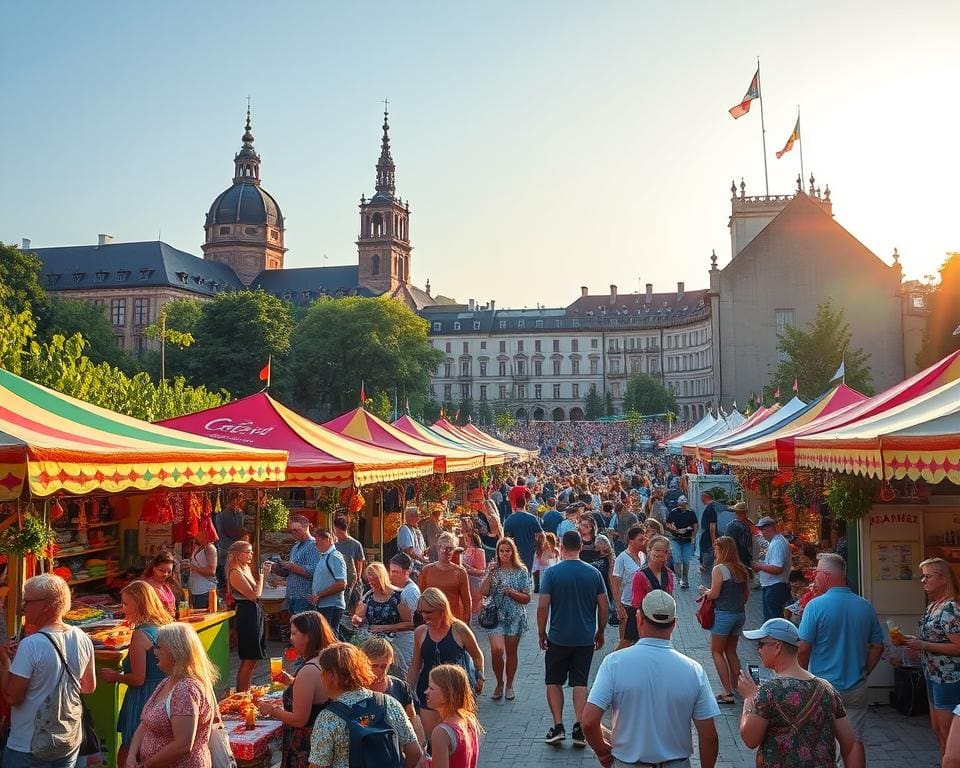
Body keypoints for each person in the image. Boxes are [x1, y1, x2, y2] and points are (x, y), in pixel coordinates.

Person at [582, 590, 720, 768]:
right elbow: (709, 736)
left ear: (639, 619)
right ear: (674, 624)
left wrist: (602, 752)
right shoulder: (693, 670)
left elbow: (588, 722)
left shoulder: (614, 663)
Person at [738, 618, 864, 768]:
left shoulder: (769, 692)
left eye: (761, 644)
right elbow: (850, 744)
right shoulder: (827, 689)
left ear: (778, 647)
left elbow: (750, 739)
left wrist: (749, 699)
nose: (758, 650)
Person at [0, 574, 96, 768]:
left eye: (28, 601)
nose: (24, 607)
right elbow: (88, 687)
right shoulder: (82, 637)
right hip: (67, 740)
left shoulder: (32, 645)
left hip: (28, 745)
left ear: (46, 605)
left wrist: (4, 662)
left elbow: (11, 696)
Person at [537, 530, 609, 747]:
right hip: (585, 638)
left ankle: (558, 726)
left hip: (558, 637)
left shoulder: (551, 574)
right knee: (580, 682)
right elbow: (604, 605)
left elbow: (542, 606)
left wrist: (542, 632)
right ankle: (579, 727)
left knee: (553, 681)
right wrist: (600, 631)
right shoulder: (593, 573)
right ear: (580, 547)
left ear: (561, 545)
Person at [309, 643, 422, 768]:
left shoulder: (328, 718)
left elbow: (318, 765)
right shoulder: (390, 703)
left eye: (322, 672)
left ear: (331, 676)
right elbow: (415, 753)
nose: (320, 676)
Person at [100, 581, 173, 767]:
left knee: (130, 751)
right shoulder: (165, 626)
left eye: (126, 604)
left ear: (139, 604)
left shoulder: (141, 635)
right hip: (164, 695)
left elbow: (138, 678)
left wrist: (115, 676)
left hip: (143, 697)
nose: (122, 608)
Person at [126, 622, 218, 768]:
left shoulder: (186, 689)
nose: (155, 652)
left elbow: (183, 744)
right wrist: (131, 756)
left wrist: (146, 765)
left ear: (176, 652)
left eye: (159, 648)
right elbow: (145, 723)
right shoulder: (167, 682)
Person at [257, 611, 335, 768]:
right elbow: (316, 695)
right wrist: (291, 681)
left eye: (294, 633)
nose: (290, 638)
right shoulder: (326, 660)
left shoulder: (308, 670)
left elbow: (299, 719)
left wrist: (271, 710)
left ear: (308, 636)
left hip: (307, 747)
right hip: (323, 741)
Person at [407, 588, 485, 739]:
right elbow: (415, 666)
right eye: (422, 612)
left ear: (441, 609)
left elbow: (477, 655)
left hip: (454, 691)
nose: (425, 616)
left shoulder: (459, 629)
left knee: (458, 738)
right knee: (432, 741)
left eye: (429, 612)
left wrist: (480, 676)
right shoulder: (421, 632)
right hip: (428, 691)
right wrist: (407, 690)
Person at [902, 557, 960, 754]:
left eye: (928, 576)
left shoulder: (951, 609)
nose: (923, 581)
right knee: (938, 730)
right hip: (932, 674)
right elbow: (935, 639)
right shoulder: (933, 606)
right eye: (922, 576)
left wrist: (923, 644)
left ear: (943, 579)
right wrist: (912, 642)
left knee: (948, 732)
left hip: (949, 677)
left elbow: (959, 647)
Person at [479, 537, 533, 701]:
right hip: (495, 616)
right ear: (497, 552)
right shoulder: (494, 570)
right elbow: (484, 591)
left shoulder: (521, 570)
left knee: (511, 652)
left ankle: (509, 685)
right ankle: (499, 683)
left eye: (507, 551)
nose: (504, 554)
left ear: (513, 552)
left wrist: (511, 592)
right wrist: (488, 572)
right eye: (501, 551)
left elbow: (527, 597)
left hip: (515, 615)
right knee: (497, 651)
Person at [698, 536, 749, 704]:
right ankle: (741, 687)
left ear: (723, 550)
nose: (715, 552)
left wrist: (705, 591)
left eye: (717, 549)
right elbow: (746, 596)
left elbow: (715, 594)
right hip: (739, 614)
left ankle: (727, 692)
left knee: (717, 651)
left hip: (723, 615)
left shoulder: (719, 569)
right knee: (732, 652)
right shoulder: (741, 569)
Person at [360, 636, 425, 745]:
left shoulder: (400, 686)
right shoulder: (357, 688)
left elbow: (412, 718)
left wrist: (421, 746)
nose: (380, 671)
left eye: (384, 666)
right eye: (374, 666)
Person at [226, 539, 267, 691]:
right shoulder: (235, 572)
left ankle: (246, 691)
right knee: (249, 657)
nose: (251, 555)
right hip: (247, 613)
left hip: (254, 612)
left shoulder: (245, 569)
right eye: (247, 552)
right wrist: (262, 576)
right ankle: (242, 693)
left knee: (254, 657)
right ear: (237, 554)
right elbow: (254, 595)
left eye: (251, 552)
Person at [424, 665, 483, 768]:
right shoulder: (469, 720)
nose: (426, 692)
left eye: (431, 688)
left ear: (447, 695)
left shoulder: (441, 732)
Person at [350, 562, 412, 644]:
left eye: (374, 580)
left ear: (382, 578)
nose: (371, 583)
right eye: (369, 580)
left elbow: (410, 624)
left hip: (394, 643)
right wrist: (357, 620)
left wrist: (385, 628)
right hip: (372, 643)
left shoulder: (397, 596)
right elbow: (359, 618)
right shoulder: (368, 597)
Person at [420, 531, 472, 623]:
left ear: (454, 550)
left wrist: (466, 622)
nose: (445, 551)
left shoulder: (460, 572)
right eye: (442, 547)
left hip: (453, 620)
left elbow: (466, 601)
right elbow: (421, 597)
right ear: (438, 548)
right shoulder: (427, 570)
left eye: (450, 548)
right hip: (431, 620)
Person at [276, 515, 321, 617]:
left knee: (303, 630)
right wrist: (276, 567)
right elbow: (289, 573)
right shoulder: (296, 546)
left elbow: (313, 572)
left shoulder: (314, 545)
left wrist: (291, 566)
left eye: (296, 530)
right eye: (291, 531)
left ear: (305, 528)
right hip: (292, 596)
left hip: (304, 597)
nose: (293, 533)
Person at [611, 526, 646, 650]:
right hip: (627, 604)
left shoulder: (642, 556)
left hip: (641, 604)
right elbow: (615, 584)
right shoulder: (622, 559)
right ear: (631, 541)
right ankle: (614, 662)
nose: (644, 542)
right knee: (625, 641)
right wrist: (619, 606)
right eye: (641, 540)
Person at [388, 553, 421, 675]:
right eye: (391, 571)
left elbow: (412, 623)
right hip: (397, 640)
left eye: (396, 572)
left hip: (407, 641)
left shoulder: (410, 592)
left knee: (405, 674)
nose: (392, 575)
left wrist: (384, 627)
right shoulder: (397, 588)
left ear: (407, 572)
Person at [751, 516, 791, 620]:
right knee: (773, 619)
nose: (761, 533)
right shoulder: (776, 541)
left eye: (762, 530)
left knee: (773, 620)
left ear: (770, 528)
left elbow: (777, 569)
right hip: (774, 587)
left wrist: (759, 566)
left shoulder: (777, 543)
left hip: (775, 587)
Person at [310, 528, 348, 637]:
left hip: (331, 606)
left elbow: (342, 584)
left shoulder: (334, 557)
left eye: (317, 541)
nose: (315, 544)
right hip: (324, 605)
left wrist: (319, 595)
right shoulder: (325, 556)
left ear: (326, 540)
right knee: (327, 637)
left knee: (330, 637)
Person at [630, 534, 676, 609]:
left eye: (663, 551)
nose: (659, 554)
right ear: (649, 551)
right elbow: (637, 604)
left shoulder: (669, 574)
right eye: (657, 550)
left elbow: (671, 600)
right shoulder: (640, 575)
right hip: (646, 618)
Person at [332, 516, 366, 614]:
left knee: (353, 610)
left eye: (337, 531)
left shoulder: (355, 544)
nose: (336, 534)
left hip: (353, 582)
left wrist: (357, 581)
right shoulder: (334, 546)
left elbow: (359, 564)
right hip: (338, 582)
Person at [503, 500, 544, 573]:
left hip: (515, 553)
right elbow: (541, 535)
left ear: (515, 505)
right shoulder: (532, 518)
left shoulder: (509, 520)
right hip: (530, 552)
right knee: (528, 574)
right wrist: (539, 547)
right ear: (525, 504)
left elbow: (506, 540)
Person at [666, 495, 697, 589]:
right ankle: (678, 577)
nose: (682, 506)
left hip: (687, 539)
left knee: (686, 560)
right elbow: (667, 523)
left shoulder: (691, 513)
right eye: (680, 504)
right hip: (676, 539)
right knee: (677, 559)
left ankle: (685, 579)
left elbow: (695, 525)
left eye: (683, 504)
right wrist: (673, 528)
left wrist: (693, 536)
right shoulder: (674, 512)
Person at [185, 527, 218, 610]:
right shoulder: (198, 547)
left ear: (204, 533)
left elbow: (211, 571)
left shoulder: (210, 548)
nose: (194, 535)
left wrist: (193, 567)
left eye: (197, 532)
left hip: (204, 590)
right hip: (194, 589)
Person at [143, 551, 180, 618]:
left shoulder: (167, 583)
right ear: (154, 568)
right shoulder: (147, 585)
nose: (165, 574)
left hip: (170, 622)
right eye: (162, 571)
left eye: (169, 571)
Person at [460, 532, 487, 620]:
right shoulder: (467, 550)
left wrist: (467, 569)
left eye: (467, 539)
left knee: (475, 605)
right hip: (467, 581)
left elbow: (482, 571)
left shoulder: (479, 551)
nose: (465, 540)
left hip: (476, 583)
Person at [398, 506, 430, 570]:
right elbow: (410, 552)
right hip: (409, 566)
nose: (419, 519)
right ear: (410, 517)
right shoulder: (405, 529)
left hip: (416, 563)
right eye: (417, 516)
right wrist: (423, 560)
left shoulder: (414, 529)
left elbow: (420, 548)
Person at [723, 501, 753, 569]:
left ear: (736, 513)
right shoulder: (748, 524)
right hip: (744, 559)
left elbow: (727, 544)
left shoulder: (732, 526)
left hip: (738, 560)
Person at [699, 490, 719, 574]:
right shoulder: (711, 507)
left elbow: (712, 527)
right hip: (707, 538)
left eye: (701, 497)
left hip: (708, 539)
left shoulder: (710, 508)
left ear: (704, 497)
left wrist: (713, 541)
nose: (700, 499)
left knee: (707, 562)